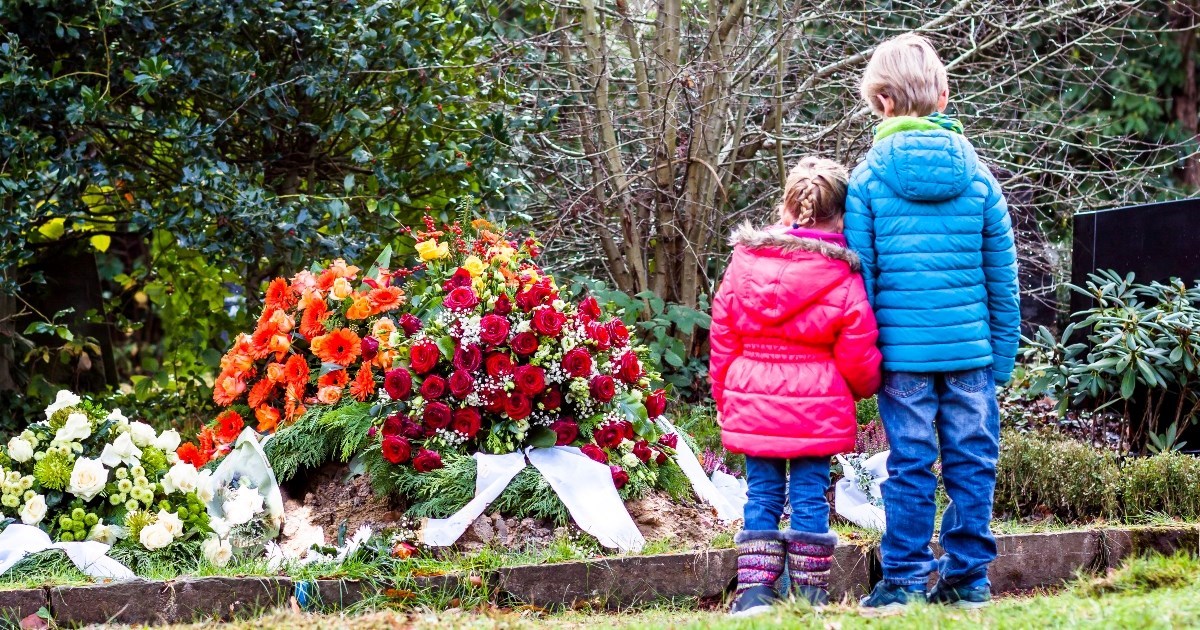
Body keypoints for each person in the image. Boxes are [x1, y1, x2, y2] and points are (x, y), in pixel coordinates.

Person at [844, 33, 1021, 612]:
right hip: (970, 353)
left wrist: (863, 359)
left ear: (882, 103)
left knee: (911, 463)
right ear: (943, 97)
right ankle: (968, 577)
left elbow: (859, 283)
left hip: (903, 359)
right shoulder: (979, 179)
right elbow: (1003, 275)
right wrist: (1002, 354)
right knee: (974, 460)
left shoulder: (868, 180)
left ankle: (902, 579)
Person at [710, 157, 883, 616]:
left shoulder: (745, 263)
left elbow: (724, 335)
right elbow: (858, 350)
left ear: (786, 210)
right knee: (809, 496)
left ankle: (754, 594)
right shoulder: (843, 275)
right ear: (842, 216)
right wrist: (861, 389)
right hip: (817, 403)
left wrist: (725, 395)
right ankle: (809, 596)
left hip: (753, 393)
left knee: (761, 494)